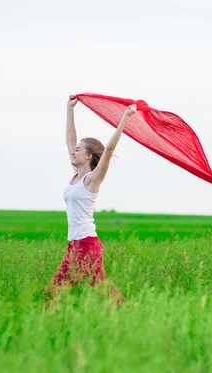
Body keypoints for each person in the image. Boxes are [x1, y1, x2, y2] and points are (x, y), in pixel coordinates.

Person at [44, 95, 136, 306]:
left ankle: (50, 323)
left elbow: (109, 149)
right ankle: (127, 311)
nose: (73, 151)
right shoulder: (75, 175)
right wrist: (70, 109)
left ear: (88, 157)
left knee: (54, 293)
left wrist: (125, 118)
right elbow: (69, 139)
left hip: (86, 245)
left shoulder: (92, 180)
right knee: (104, 291)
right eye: (74, 150)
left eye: (78, 150)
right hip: (77, 245)